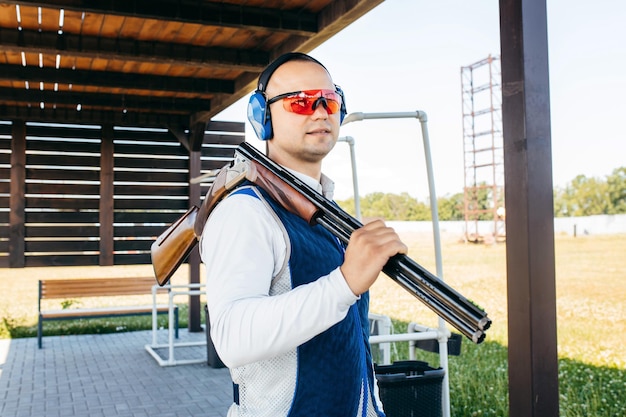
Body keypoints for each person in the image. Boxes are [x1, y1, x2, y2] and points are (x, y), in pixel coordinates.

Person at [200, 52, 408, 417]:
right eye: (300, 101)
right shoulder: (246, 210)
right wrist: (344, 283)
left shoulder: (331, 214)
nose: (320, 111)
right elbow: (231, 337)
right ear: (262, 117)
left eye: (329, 100)